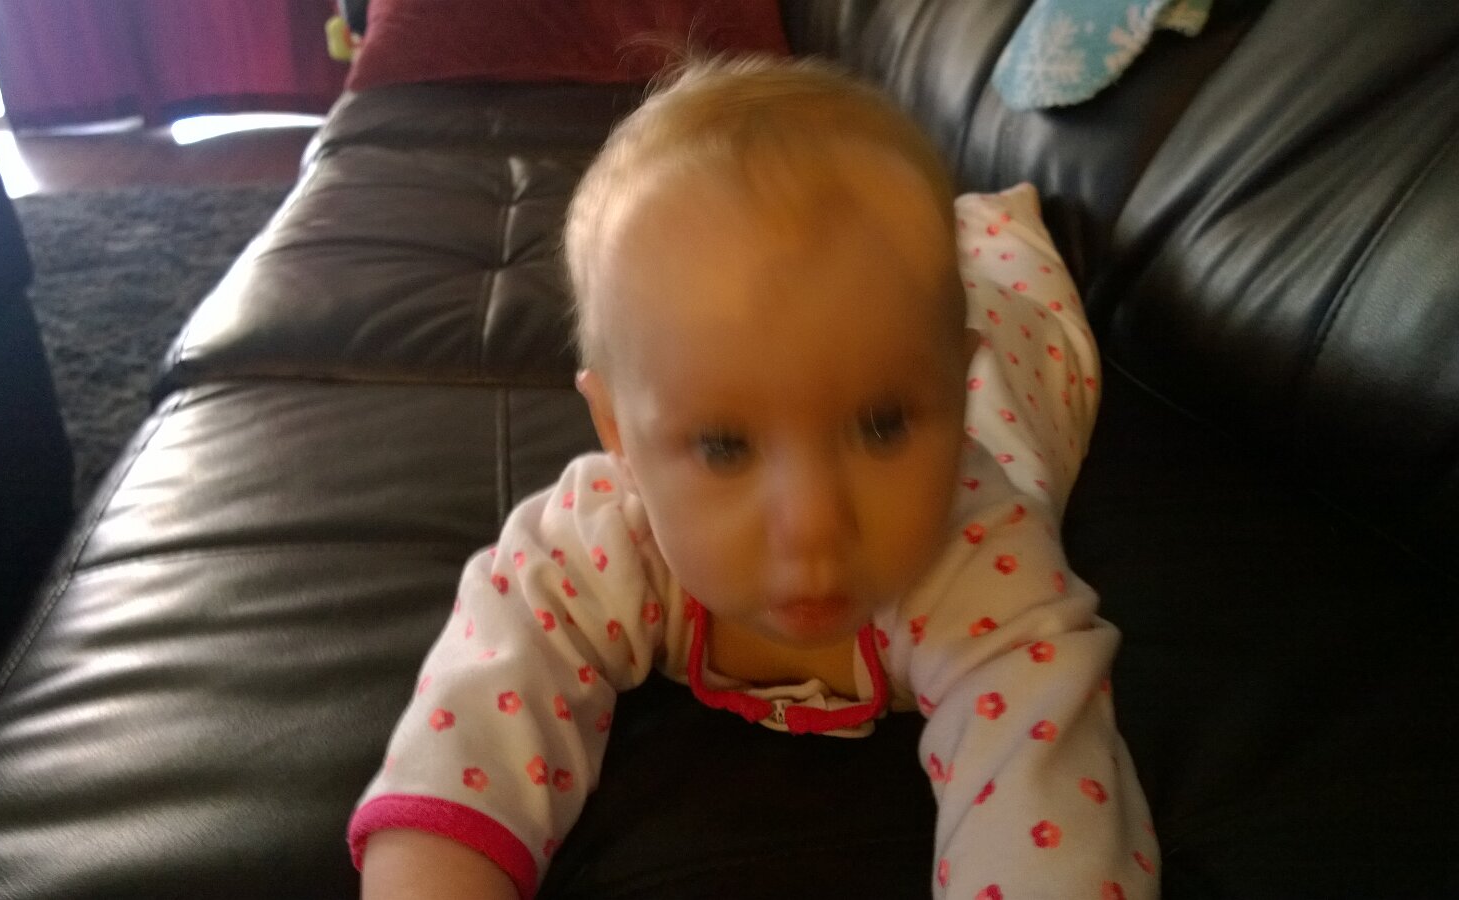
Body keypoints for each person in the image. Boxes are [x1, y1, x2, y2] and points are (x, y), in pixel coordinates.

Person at [352, 56, 1159, 900]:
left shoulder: (980, 554)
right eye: (724, 446)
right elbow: (475, 718)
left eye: (883, 425)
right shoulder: (607, 537)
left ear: (955, 391)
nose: (813, 524)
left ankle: (996, 225)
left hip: (1022, 334)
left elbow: (1045, 796)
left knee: (991, 267)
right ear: (618, 437)